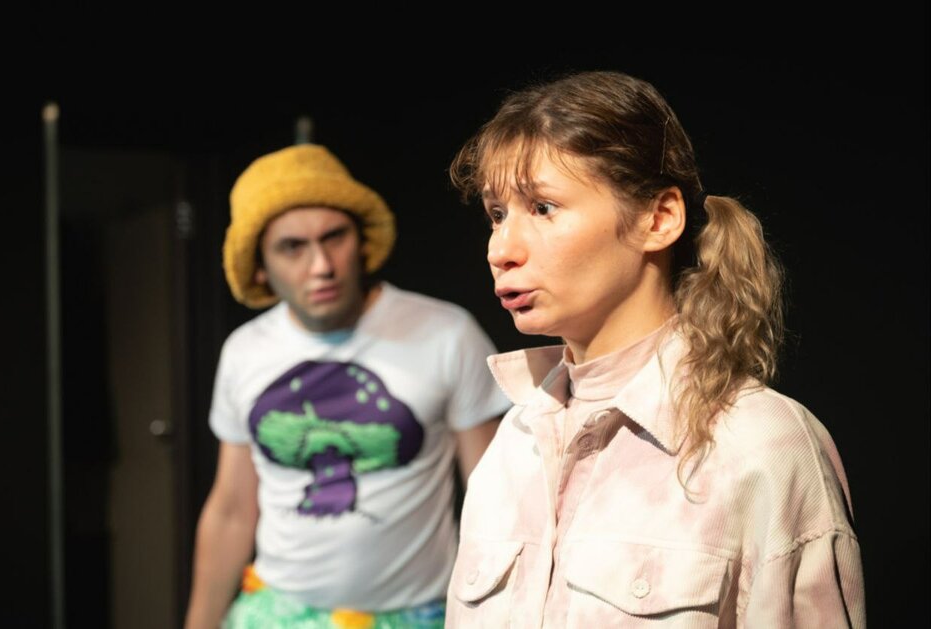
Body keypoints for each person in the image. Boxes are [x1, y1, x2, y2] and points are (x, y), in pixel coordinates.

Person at [444, 71, 865, 627]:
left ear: (659, 218)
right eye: (497, 215)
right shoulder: (515, 442)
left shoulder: (761, 445)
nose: (501, 249)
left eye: (543, 208)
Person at [184, 143, 510, 628]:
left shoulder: (446, 334)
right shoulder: (245, 352)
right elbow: (232, 508)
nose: (321, 265)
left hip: (416, 614)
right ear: (260, 266)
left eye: (333, 237)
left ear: (360, 240)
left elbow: (495, 498)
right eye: (292, 247)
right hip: (275, 613)